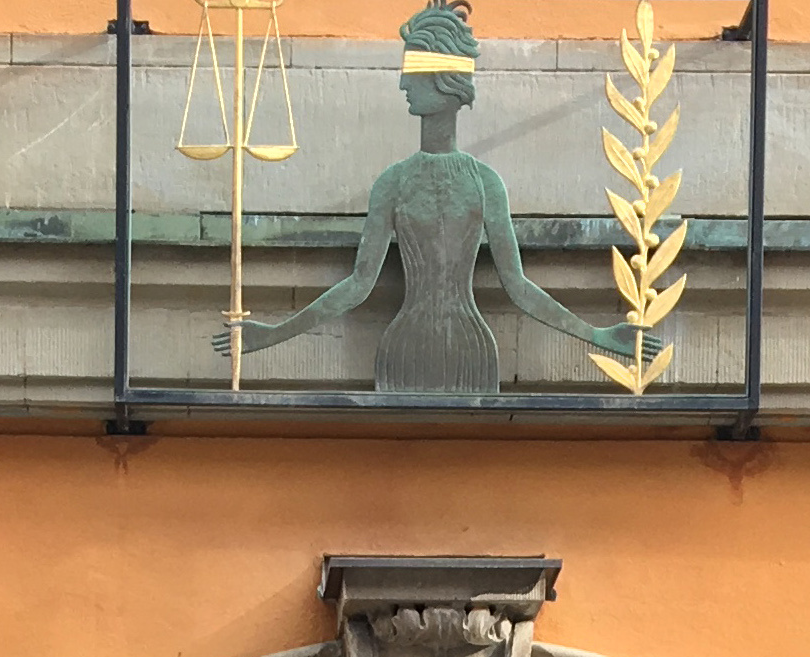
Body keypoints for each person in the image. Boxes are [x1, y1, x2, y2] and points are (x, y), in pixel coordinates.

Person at [215, 0, 643, 394]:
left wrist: (600, 336)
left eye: (412, 74)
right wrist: (271, 336)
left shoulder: (481, 183)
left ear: (443, 81)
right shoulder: (398, 181)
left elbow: (519, 286)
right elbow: (357, 285)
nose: (402, 84)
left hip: (470, 354)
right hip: (405, 348)